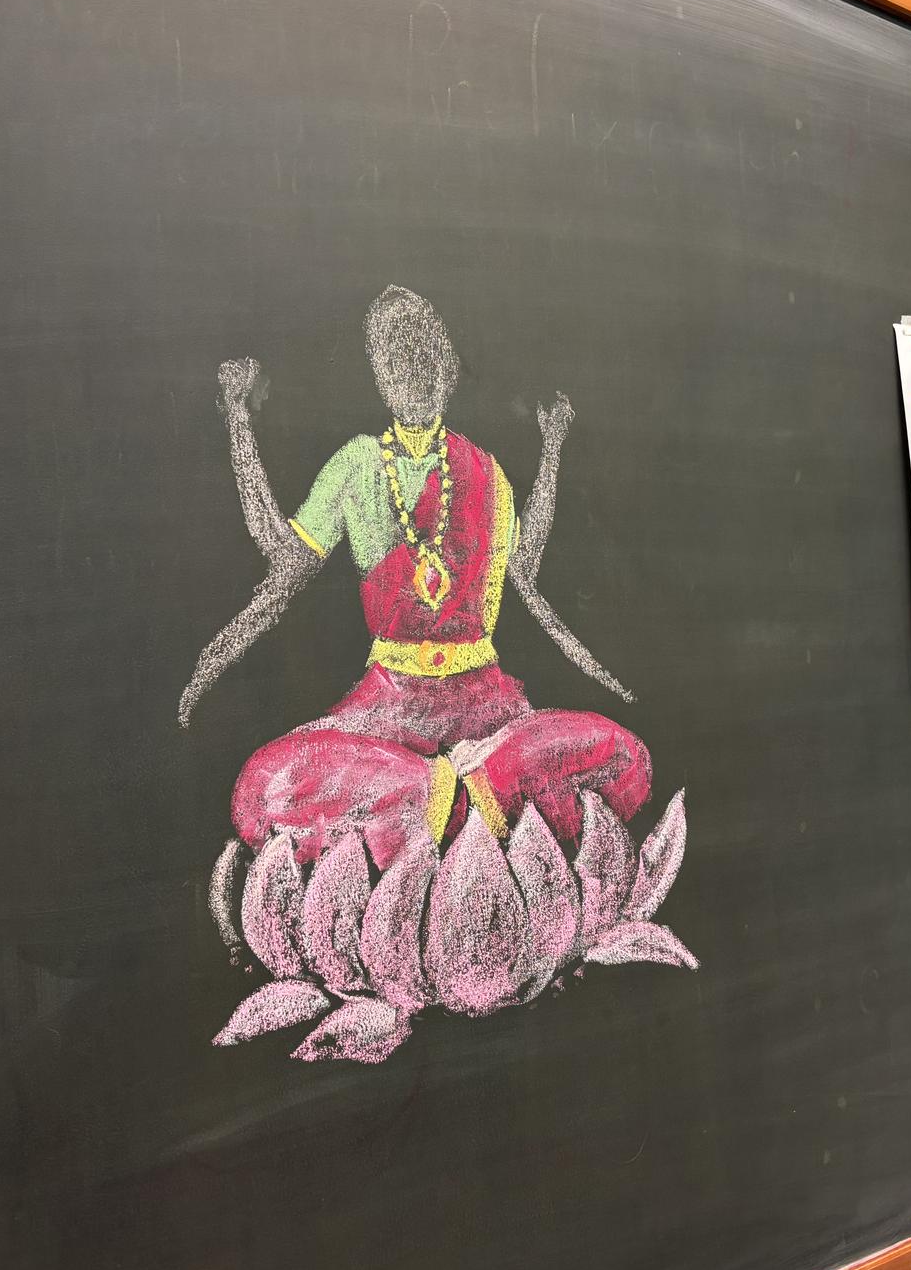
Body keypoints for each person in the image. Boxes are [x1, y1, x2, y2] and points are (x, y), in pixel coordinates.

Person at [180, 285, 650, 867]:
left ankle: (430, 807)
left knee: (627, 760)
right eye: (395, 358)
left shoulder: (486, 470)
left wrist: (552, 451)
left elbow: (524, 568)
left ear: (448, 367)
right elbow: (282, 555)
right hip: (387, 712)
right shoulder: (357, 466)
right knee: (260, 794)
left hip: (488, 710)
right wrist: (238, 424)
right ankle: (454, 800)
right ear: (380, 374)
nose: (411, 372)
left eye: (423, 354)